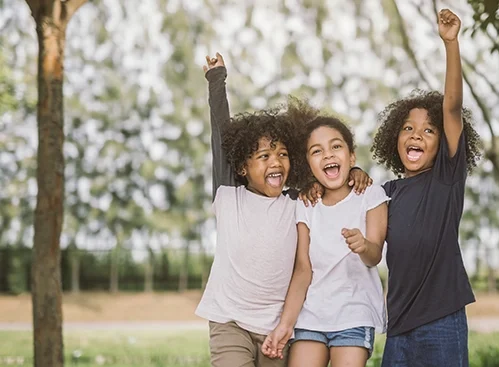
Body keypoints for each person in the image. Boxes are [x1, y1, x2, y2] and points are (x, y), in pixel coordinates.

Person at [195, 54, 372, 367]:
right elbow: (220, 134)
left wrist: (354, 170)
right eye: (263, 156)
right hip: (230, 321)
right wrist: (216, 79)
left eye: (282, 154)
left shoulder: (298, 201)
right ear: (242, 166)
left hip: (277, 327)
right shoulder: (228, 194)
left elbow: (328, 171)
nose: (275, 161)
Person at [370, 9, 481, 366]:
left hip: (442, 322)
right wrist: (356, 175)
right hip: (399, 326)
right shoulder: (385, 193)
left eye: (428, 130)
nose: (416, 134)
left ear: (440, 144)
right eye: (407, 128)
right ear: (394, 139)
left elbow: (451, 107)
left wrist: (451, 44)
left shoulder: (446, 180)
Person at [262, 111, 388, 367]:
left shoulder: (371, 194)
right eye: (317, 151)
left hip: (354, 314)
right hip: (311, 317)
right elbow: (302, 270)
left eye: (336, 146)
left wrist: (363, 246)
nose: (328, 154)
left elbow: (374, 256)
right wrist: (284, 326)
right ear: (308, 164)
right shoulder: (306, 204)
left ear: (351, 156)